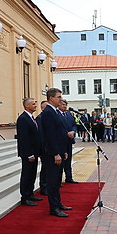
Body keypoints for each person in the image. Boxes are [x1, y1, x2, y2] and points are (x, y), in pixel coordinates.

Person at [40, 88, 72, 217]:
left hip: (59, 151)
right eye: (58, 97)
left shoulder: (55, 112)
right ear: (51, 98)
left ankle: (58, 203)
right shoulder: (48, 113)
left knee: (57, 179)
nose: (61, 99)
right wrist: (55, 153)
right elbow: (50, 136)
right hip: (52, 154)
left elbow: (60, 133)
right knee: (52, 181)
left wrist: (63, 151)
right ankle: (53, 207)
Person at [16, 97, 43, 206]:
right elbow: (24, 138)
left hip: (34, 152)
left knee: (32, 174)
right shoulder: (23, 119)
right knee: (27, 174)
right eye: (33, 104)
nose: (35, 106)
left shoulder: (31, 118)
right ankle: (25, 196)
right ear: (27, 106)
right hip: (28, 153)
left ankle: (30, 193)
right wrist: (29, 154)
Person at [58, 100, 78, 183]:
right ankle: (58, 180)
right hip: (61, 141)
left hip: (69, 141)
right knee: (61, 161)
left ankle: (69, 177)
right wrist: (66, 133)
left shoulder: (69, 114)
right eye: (63, 105)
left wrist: (73, 131)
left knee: (68, 159)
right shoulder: (57, 115)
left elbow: (74, 125)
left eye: (65, 105)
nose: (65, 106)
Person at [35, 100, 48, 196]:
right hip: (44, 148)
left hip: (48, 147)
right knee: (45, 169)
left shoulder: (46, 117)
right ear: (43, 108)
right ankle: (43, 187)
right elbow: (40, 135)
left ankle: (47, 186)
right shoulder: (40, 118)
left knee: (48, 169)